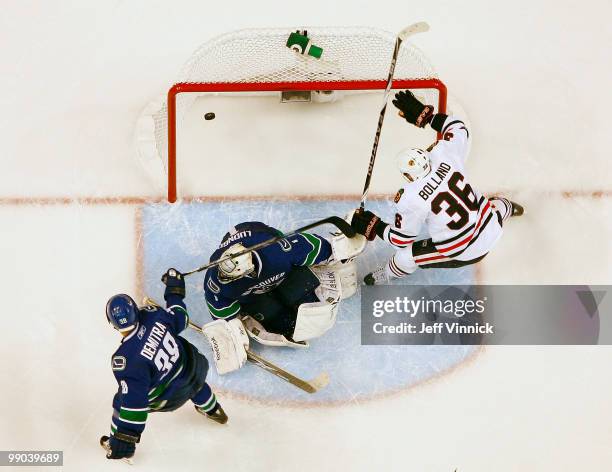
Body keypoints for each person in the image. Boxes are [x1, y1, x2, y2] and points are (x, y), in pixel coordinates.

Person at [350, 90, 523, 285]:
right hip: (491, 225)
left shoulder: (411, 197)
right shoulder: (445, 153)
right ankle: (508, 207)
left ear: (407, 175)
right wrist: (428, 117)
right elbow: (458, 128)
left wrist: (375, 225)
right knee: (495, 205)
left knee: (405, 257)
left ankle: (387, 274)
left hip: (463, 251)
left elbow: (400, 240)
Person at [201, 221, 362, 373]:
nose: (222, 278)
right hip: (255, 296)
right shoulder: (215, 281)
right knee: (280, 323)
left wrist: (342, 250)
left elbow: (316, 247)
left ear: (248, 270)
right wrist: (232, 334)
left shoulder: (277, 251)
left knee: (307, 297)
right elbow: (221, 312)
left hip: (262, 237)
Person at [100, 269, 227, 461]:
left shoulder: (125, 360)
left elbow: (135, 404)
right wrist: (174, 289)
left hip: (170, 397)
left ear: (113, 325)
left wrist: (124, 443)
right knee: (195, 383)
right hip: (193, 368)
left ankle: (117, 443)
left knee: (121, 400)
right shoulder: (154, 315)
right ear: (135, 310)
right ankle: (213, 409)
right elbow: (180, 316)